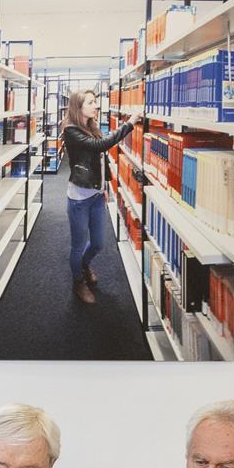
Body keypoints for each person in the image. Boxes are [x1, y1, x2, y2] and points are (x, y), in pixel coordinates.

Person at [60, 90, 135, 306]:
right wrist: (129, 124)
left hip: (96, 195)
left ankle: (84, 265)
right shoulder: (71, 131)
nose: (96, 106)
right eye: (91, 102)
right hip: (79, 199)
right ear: (78, 107)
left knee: (99, 244)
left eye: (96, 102)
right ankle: (78, 282)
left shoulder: (90, 127)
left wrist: (104, 187)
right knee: (78, 244)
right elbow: (99, 146)